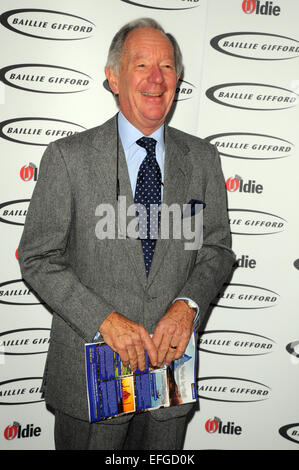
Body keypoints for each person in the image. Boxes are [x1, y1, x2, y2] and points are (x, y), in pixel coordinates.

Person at [18, 18, 235, 450]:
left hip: (168, 378)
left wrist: (187, 306)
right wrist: (104, 321)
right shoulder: (68, 158)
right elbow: (37, 257)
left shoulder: (204, 159)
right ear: (114, 78)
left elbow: (216, 249)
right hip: (91, 375)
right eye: (141, 64)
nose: (156, 78)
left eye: (168, 66)